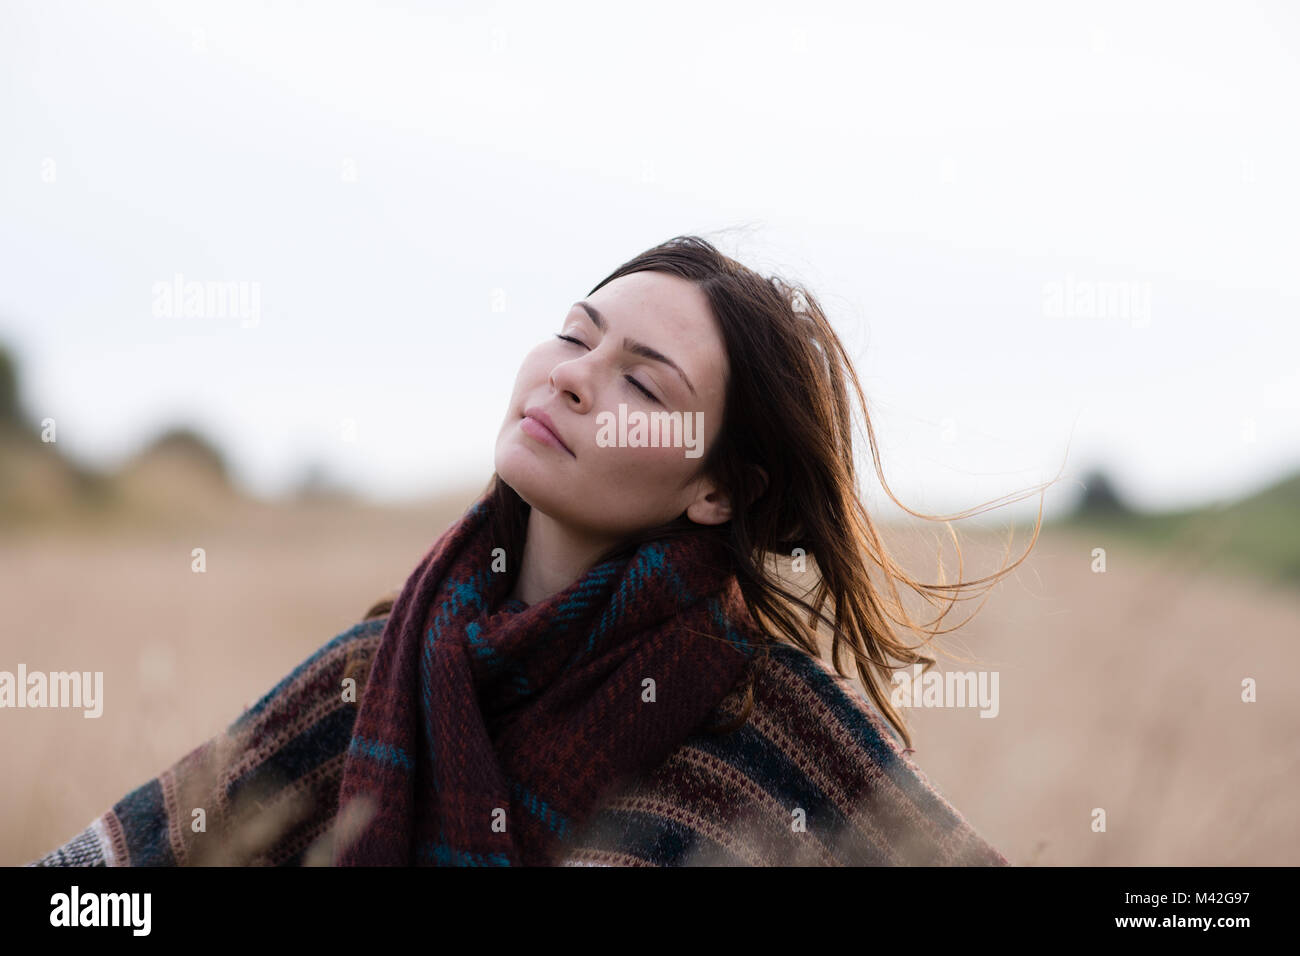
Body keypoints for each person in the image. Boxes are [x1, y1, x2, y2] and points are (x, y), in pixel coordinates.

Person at [29, 234, 1048, 867]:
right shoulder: (382, 669)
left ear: (718, 489)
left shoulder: (774, 732)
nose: (571, 376)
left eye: (644, 385)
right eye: (574, 334)